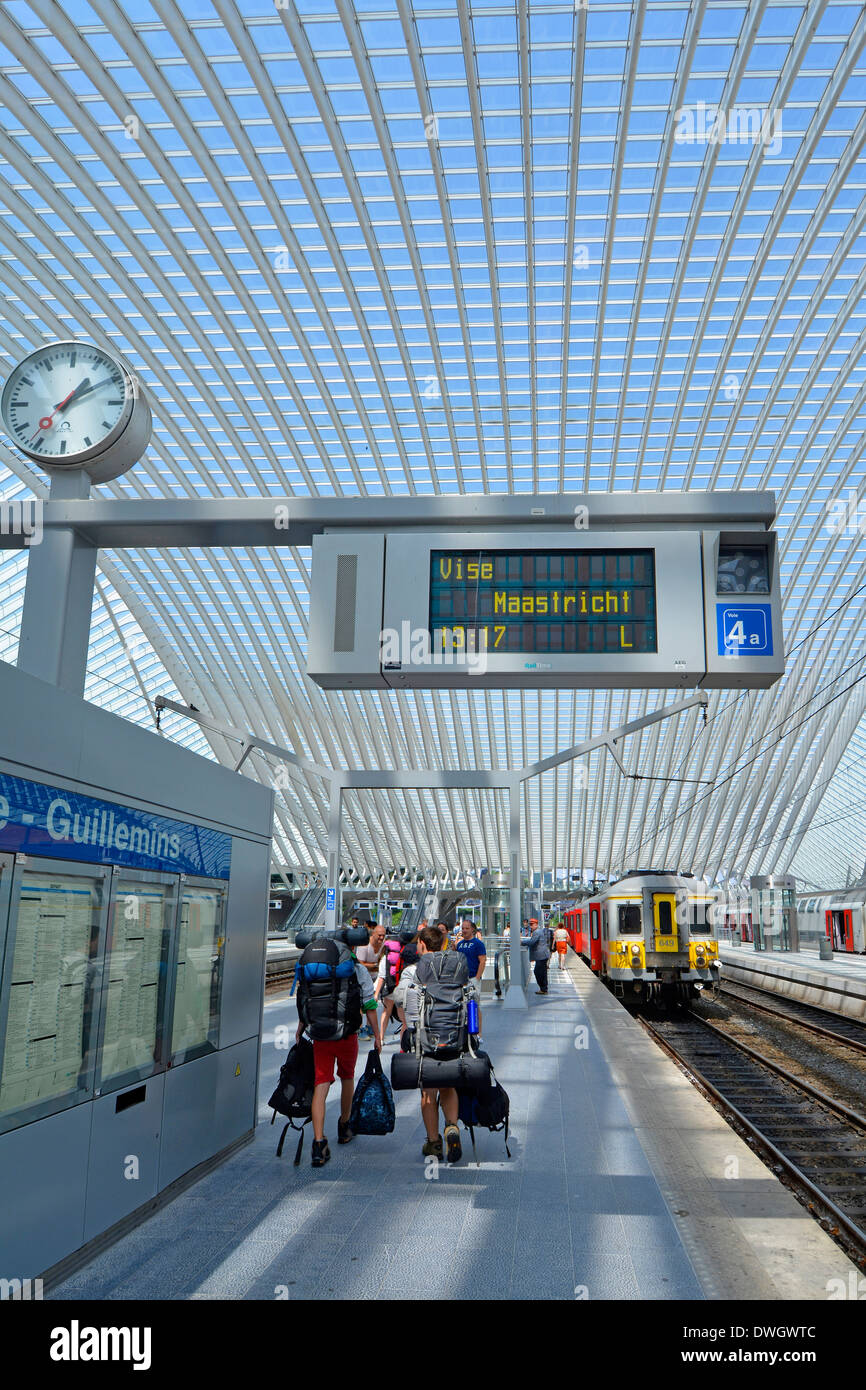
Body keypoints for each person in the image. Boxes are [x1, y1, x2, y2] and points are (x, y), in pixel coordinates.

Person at [295, 936, 380, 1168]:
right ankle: (345, 1126)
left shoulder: (316, 969)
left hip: (320, 1036)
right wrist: (378, 1035)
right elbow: (369, 1005)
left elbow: (305, 999)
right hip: (347, 1035)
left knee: (321, 1085)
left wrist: (301, 1028)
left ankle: (318, 1143)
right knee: (347, 1078)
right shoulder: (356, 969)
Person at [402, 924, 463, 1163]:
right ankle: (452, 1127)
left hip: (426, 1040)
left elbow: (408, 1006)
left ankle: (433, 1143)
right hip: (453, 1037)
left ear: (423, 945)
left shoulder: (414, 971)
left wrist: (412, 1032)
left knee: (428, 1092)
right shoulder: (455, 969)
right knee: (448, 1085)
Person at [455, 917, 486, 1031]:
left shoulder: (478, 944)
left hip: (473, 978)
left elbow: (482, 961)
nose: (464, 930)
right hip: (461, 980)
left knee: (475, 1006)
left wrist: (477, 978)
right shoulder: (459, 944)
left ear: (472, 929)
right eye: (463, 928)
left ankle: (479, 1033)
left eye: (467, 928)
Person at [356, 921, 384, 1038]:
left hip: (375, 977)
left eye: (383, 935)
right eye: (379, 935)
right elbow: (360, 963)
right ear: (373, 934)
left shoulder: (383, 945)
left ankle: (369, 1026)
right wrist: (374, 966)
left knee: (372, 1003)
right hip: (362, 978)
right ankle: (360, 1027)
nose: (381, 938)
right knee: (362, 1003)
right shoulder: (364, 946)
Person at [525, 916, 550, 994]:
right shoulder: (539, 931)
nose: (531, 926)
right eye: (530, 924)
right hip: (543, 955)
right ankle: (544, 989)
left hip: (541, 956)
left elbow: (532, 942)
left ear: (536, 924)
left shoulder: (536, 932)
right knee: (543, 972)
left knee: (537, 972)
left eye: (532, 924)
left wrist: (522, 942)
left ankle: (543, 988)